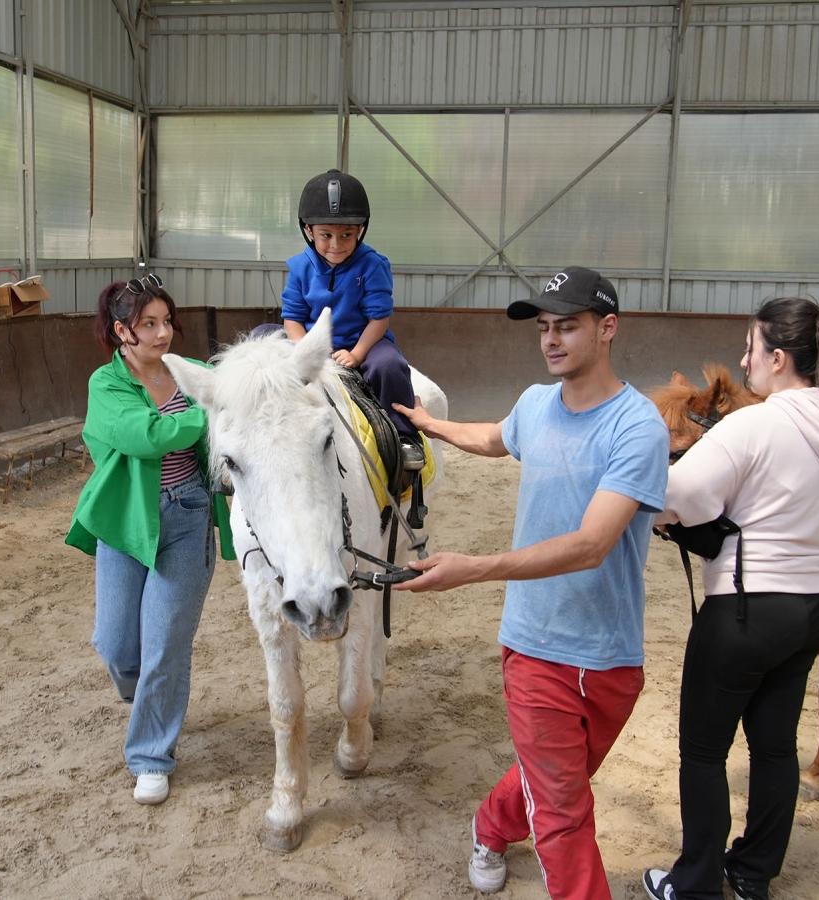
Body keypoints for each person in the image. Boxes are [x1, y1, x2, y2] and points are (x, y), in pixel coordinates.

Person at [392, 266, 671, 899]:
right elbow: (495, 437)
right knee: (566, 810)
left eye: (566, 326)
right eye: (544, 327)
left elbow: (591, 544)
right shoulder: (535, 404)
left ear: (607, 329)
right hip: (536, 649)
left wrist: (477, 569)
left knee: (552, 784)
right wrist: (433, 427)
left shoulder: (637, 427)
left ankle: (491, 823)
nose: (549, 340)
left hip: (610, 657)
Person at [641, 298, 819, 900]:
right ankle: (753, 873)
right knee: (776, 747)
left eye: (751, 348)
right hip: (810, 608)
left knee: (704, 754)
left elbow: (683, 494)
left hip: (743, 609)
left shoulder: (753, 423)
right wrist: (816, 509)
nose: (744, 359)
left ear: (778, 359)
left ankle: (697, 882)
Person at [65, 274, 234, 806]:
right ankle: (152, 701)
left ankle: (150, 756)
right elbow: (146, 436)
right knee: (115, 644)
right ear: (121, 332)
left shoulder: (194, 373)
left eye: (167, 322)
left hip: (188, 516)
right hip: (126, 523)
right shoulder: (106, 385)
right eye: (149, 325)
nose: (164, 335)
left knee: (164, 644)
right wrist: (203, 411)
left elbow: (238, 401)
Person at [280, 168, 425, 471]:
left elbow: (379, 319)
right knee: (260, 338)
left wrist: (357, 353)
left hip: (363, 343)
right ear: (308, 230)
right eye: (326, 235)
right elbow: (292, 318)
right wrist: (305, 350)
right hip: (309, 343)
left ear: (360, 229)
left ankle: (405, 435)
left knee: (390, 365)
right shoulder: (298, 267)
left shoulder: (373, 265)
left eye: (347, 235)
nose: (336, 244)